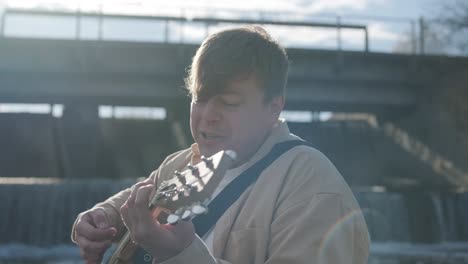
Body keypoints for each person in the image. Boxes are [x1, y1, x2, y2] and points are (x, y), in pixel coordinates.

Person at [71, 25, 370, 264]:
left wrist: (180, 254)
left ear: (273, 108)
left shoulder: (314, 187)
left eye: (229, 103)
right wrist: (101, 218)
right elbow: (136, 196)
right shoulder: (182, 163)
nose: (208, 116)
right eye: (199, 99)